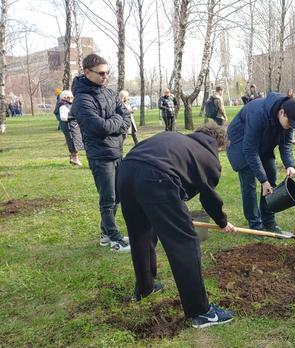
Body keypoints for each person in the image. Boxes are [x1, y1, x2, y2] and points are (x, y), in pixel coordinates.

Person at [117, 124, 235, 328]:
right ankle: (201, 313)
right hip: (156, 178)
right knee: (185, 242)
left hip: (125, 172)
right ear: (219, 145)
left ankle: (145, 288)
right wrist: (222, 222)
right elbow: (209, 197)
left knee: (141, 234)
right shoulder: (208, 156)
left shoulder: (175, 139)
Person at [71, 53, 132, 252]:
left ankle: (105, 234)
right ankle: (114, 240)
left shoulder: (109, 92)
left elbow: (125, 116)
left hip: (116, 151)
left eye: (107, 73)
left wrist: (116, 122)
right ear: (87, 72)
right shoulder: (81, 99)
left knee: (118, 196)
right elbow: (101, 127)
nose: (105, 77)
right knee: (108, 198)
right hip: (100, 156)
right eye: (101, 73)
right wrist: (117, 122)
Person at [226, 92, 295, 232]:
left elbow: (286, 145)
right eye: (289, 123)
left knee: (271, 177)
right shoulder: (258, 113)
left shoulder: (288, 120)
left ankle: (269, 221)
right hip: (240, 144)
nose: (290, 126)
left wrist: (290, 165)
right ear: (282, 113)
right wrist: (262, 180)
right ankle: (255, 224)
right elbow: (249, 149)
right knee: (249, 183)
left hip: (264, 144)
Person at [58, 90, 84, 166]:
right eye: (68, 97)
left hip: (74, 126)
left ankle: (74, 158)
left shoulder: (70, 105)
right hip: (69, 126)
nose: (70, 98)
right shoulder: (63, 106)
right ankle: (74, 159)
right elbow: (63, 117)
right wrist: (74, 116)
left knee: (76, 141)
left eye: (71, 97)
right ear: (64, 98)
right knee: (72, 142)